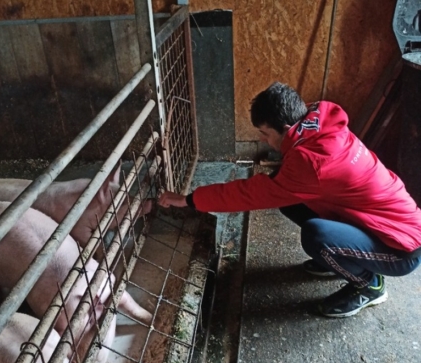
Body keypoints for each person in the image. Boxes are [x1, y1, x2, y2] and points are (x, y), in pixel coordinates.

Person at [158, 81, 421, 318]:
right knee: (291, 202)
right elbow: (279, 182)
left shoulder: (311, 163)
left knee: (316, 236)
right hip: (380, 223)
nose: (263, 139)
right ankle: (340, 260)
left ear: (285, 128)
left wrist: (189, 200)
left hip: (400, 249)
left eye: (265, 132)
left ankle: (370, 285)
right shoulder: (319, 125)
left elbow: (250, 194)